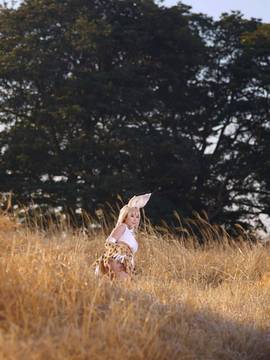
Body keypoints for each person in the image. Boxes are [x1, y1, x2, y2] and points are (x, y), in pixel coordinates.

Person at [94, 193, 151, 281]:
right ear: (125, 217)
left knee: (123, 286)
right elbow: (109, 242)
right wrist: (120, 252)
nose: (135, 219)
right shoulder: (122, 226)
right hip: (117, 260)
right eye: (132, 216)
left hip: (125, 262)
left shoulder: (131, 233)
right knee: (124, 282)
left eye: (137, 216)